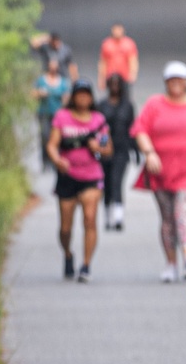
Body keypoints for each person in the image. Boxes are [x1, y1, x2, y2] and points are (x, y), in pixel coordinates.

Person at [131, 61, 186, 282]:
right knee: (168, 219)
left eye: (180, 79)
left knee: (183, 211)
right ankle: (171, 263)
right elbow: (140, 130)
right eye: (171, 80)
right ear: (166, 82)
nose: (176, 84)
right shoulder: (155, 104)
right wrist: (149, 153)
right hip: (161, 171)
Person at [46, 80, 112, 283]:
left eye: (86, 95)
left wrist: (98, 149)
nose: (83, 99)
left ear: (91, 98)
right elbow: (51, 145)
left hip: (91, 177)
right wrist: (57, 160)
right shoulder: (62, 117)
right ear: (73, 97)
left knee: (90, 219)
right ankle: (67, 253)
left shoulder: (98, 120)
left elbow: (108, 150)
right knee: (65, 228)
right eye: (79, 95)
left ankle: (85, 265)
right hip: (67, 177)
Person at [97, 73, 135, 230]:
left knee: (117, 181)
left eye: (117, 84)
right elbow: (97, 128)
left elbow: (132, 128)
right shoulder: (101, 105)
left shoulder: (127, 106)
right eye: (111, 83)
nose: (114, 87)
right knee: (106, 183)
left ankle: (118, 217)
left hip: (122, 149)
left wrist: (136, 149)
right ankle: (107, 216)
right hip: (105, 150)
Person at [34, 55, 70, 170]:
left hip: (57, 115)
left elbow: (67, 98)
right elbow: (33, 94)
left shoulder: (63, 82)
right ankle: (45, 161)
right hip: (44, 112)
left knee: (57, 138)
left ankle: (56, 160)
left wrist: (64, 100)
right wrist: (40, 93)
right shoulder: (41, 80)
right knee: (45, 136)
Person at [97, 23, 139, 93]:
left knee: (125, 96)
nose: (117, 32)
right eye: (115, 30)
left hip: (124, 77)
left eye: (119, 29)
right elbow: (103, 62)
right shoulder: (106, 44)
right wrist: (101, 79)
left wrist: (133, 74)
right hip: (110, 76)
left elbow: (133, 60)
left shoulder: (129, 43)